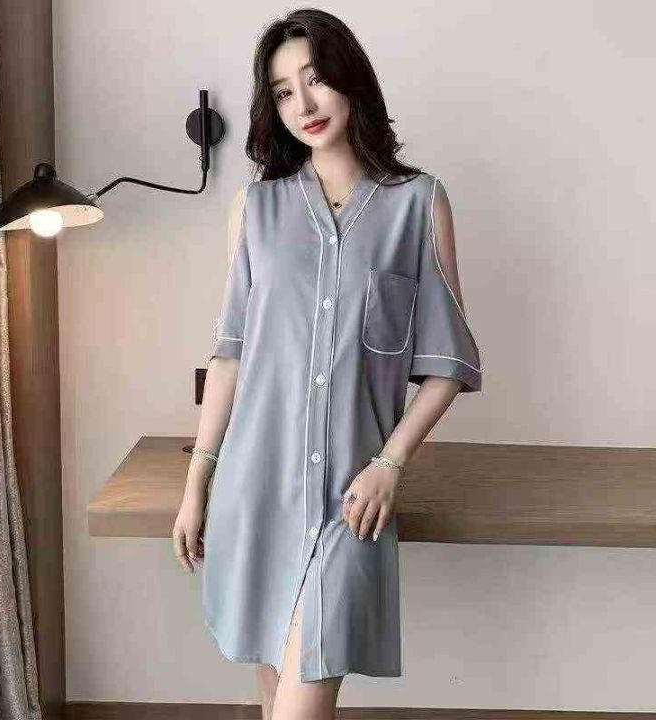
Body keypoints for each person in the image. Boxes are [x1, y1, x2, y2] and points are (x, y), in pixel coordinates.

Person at [172, 8, 483, 720]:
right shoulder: (255, 209)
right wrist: (197, 485)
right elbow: (230, 355)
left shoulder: (418, 204)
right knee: (273, 694)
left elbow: (448, 362)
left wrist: (390, 463)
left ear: (351, 80)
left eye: (315, 80)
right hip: (256, 491)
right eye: (283, 91)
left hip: (351, 499)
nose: (303, 104)